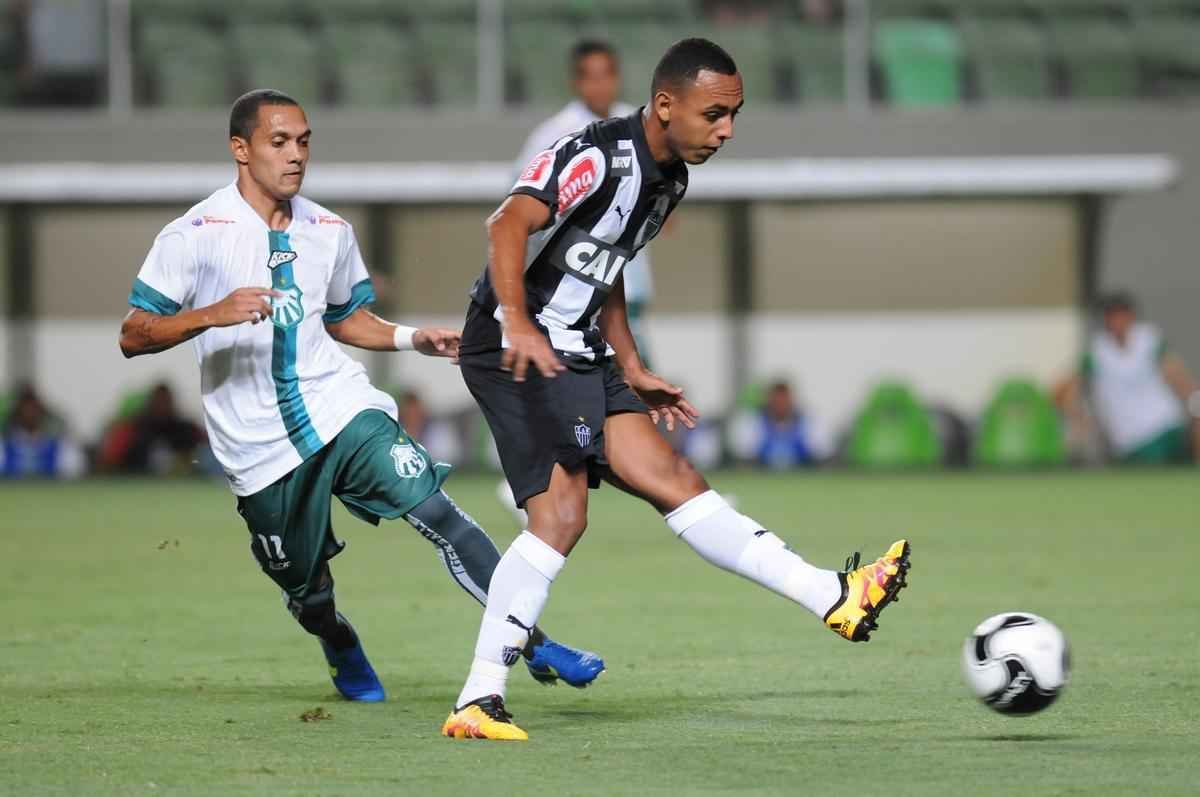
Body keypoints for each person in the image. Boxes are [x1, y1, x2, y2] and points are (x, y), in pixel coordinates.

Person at [441, 39, 911, 741]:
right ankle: (479, 697)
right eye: (714, 113)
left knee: (674, 475)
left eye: (734, 115)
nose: (726, 130)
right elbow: (506, 222)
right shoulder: (595, 154)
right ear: (666, 105)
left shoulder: (670, 180)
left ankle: (832, 595)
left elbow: (609, 262)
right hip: (520, 343)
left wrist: (629, 361)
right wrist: (517, 323)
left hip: (582, 346)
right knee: (562, 516)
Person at [118, 89, 603, 704]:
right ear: (240, 150)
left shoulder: (330, 229)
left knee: (438, 514)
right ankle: (336, 638)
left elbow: (347, 319)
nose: (296, 155)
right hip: (258, 450)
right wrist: (211, 314)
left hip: (340, 408)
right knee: (308, 591)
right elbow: (134, 334)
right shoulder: (193, 233)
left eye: (303, 141)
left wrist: (409, 338)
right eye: (279, 142)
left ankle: (531, 641)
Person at [497, 39, 660, 528]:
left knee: (630, 377)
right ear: (576, 80)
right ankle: (533, 478)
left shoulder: (637, 128)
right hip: (567, 288)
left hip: (619, 282)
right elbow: (520, 206)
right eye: (590, 75)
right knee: (574, 383)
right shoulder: (557, 133)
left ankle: (653, 473)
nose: (600, 85)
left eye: (608, 74)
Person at [1055, 292, 1199, 464]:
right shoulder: (1097, 351)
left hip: (1166, 425)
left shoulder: (1149, 339)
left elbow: (1176, 374)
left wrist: (1194, 403)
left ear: (1132, 316)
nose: (1118, 322)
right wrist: (1077, 417)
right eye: (1113, 316)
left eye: (1123, 315)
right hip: (1129, 438)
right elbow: (1068, 386)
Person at [96, 381, 207, 474]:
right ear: (150, 403)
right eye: (159, 402)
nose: (162, 407)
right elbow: (109, 460)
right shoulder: (134, 429)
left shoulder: (185, 429)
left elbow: (207, 446)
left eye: (165, 402)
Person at [0, 384, 85, 479]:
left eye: (33, 408)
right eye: (26, 409)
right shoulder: (5, 443)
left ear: (41, 411)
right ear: (18, 412)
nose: (30, 413)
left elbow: (72, 471)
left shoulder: (57, 443)